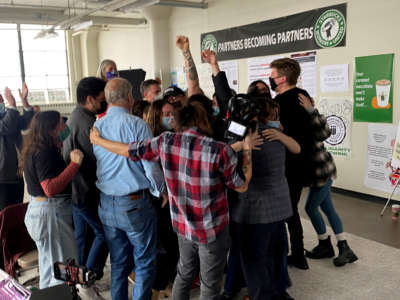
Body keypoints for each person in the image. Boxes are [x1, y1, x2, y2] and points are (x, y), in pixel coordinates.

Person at [90, 101, 256, 300]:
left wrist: (99, 141)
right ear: (203, 120)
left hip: (182, 226)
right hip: (211, 230)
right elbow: (242, 185)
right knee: (209, 284)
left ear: (178, 122)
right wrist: (247, 150)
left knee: (183, 275)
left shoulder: (165, 141)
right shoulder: (220, 150)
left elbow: (129, 150)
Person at [92, 78, 165, 300]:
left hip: (106, 203)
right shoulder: (137, 125)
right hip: (133, 204)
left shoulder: (97, 127)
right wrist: (160, 190)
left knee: (118, 263)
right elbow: (150, 165)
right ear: (130, 97)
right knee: (144, 262)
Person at [20, 111, 81, 289]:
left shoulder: (38, 147)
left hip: (41, 212)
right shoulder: (44, 152)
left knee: (50, 267)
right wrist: (74, 164)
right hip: (50, 215)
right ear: (51, 129)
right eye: (62, 124)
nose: (65, 127)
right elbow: (50, 189)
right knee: (63, 269)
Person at [298, 94, 358, 267]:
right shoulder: (300, 120)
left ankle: (337, 246)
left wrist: (311, 110)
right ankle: (333, 246)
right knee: (327, 207)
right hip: (316, 174)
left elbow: (325, 132)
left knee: (310, 207)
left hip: (323, 172)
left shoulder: (313, 117)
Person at [62, 77, 109, 299]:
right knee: (105, 233)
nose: (105, 103)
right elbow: (98, 157)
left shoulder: (73, 117)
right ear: (90, 99)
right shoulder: (88, 124)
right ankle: (88, 279)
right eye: (102, 99)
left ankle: (77, 282)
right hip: (86, 191)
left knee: (81, 239)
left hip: (75, 191)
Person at [270, 57, 314, 270]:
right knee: (292, 210)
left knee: (287, 212)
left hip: (288, 164)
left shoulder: (283, 102)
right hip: (302, 162)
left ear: (283, 78)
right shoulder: (303, 96)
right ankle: (298, 253)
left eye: (272, 75)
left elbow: (282, 130)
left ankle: (296, 254)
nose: (270, 78)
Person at [0, 84, 34, 210]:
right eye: (1, 101)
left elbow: (27, 122)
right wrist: (13, 105)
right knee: (4, 215)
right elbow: (7, 126)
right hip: (2, 179)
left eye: (3, 100)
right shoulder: (7, 119)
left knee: (16, 212)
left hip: (17, 174)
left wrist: (24, 102)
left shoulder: (8, 116)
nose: (3, 103)